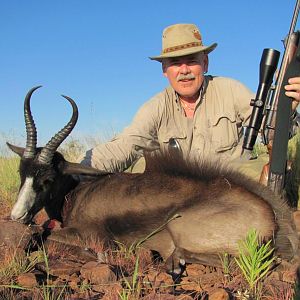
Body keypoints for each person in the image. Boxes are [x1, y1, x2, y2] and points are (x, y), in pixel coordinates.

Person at [81, 23, 300, 175]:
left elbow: (272, 132)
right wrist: (79, 168)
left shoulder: (230, 90)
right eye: (175, 62)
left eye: (191, 60)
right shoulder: (156, 107)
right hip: (185, 198)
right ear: (165, 70)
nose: (184, 70)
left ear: (205, 63)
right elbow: (125, 146)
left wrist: (289, 107)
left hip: (232, 189)